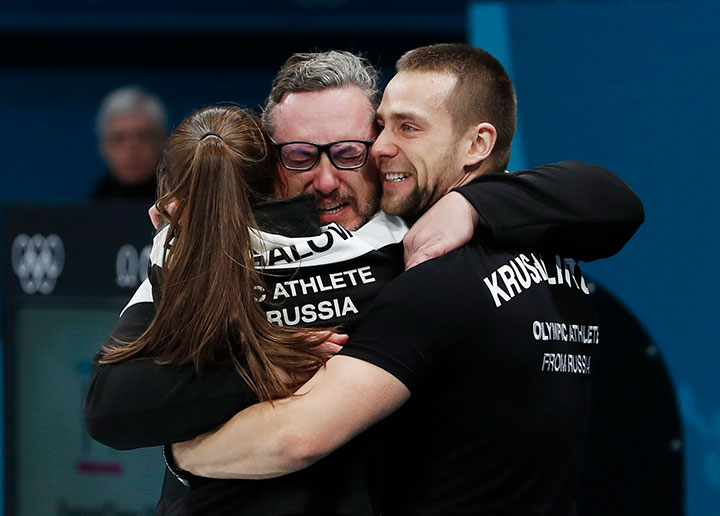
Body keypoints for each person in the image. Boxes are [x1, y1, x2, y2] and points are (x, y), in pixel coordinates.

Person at [85, 50, 643, 515]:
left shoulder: (415, 237)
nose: (325, 180)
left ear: (375, 148)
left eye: (349, 153)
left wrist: (475, 202)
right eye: (300, 156)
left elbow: (610, 200)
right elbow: (112, 408)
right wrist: (266, 366)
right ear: (267, 161)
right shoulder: (214, 246)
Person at [93, 86, 167, 200]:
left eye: (143, 136)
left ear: (162, 142)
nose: (131, 148)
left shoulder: (185, 205)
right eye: (119, 138)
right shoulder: (91, 209)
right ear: (103, 146)